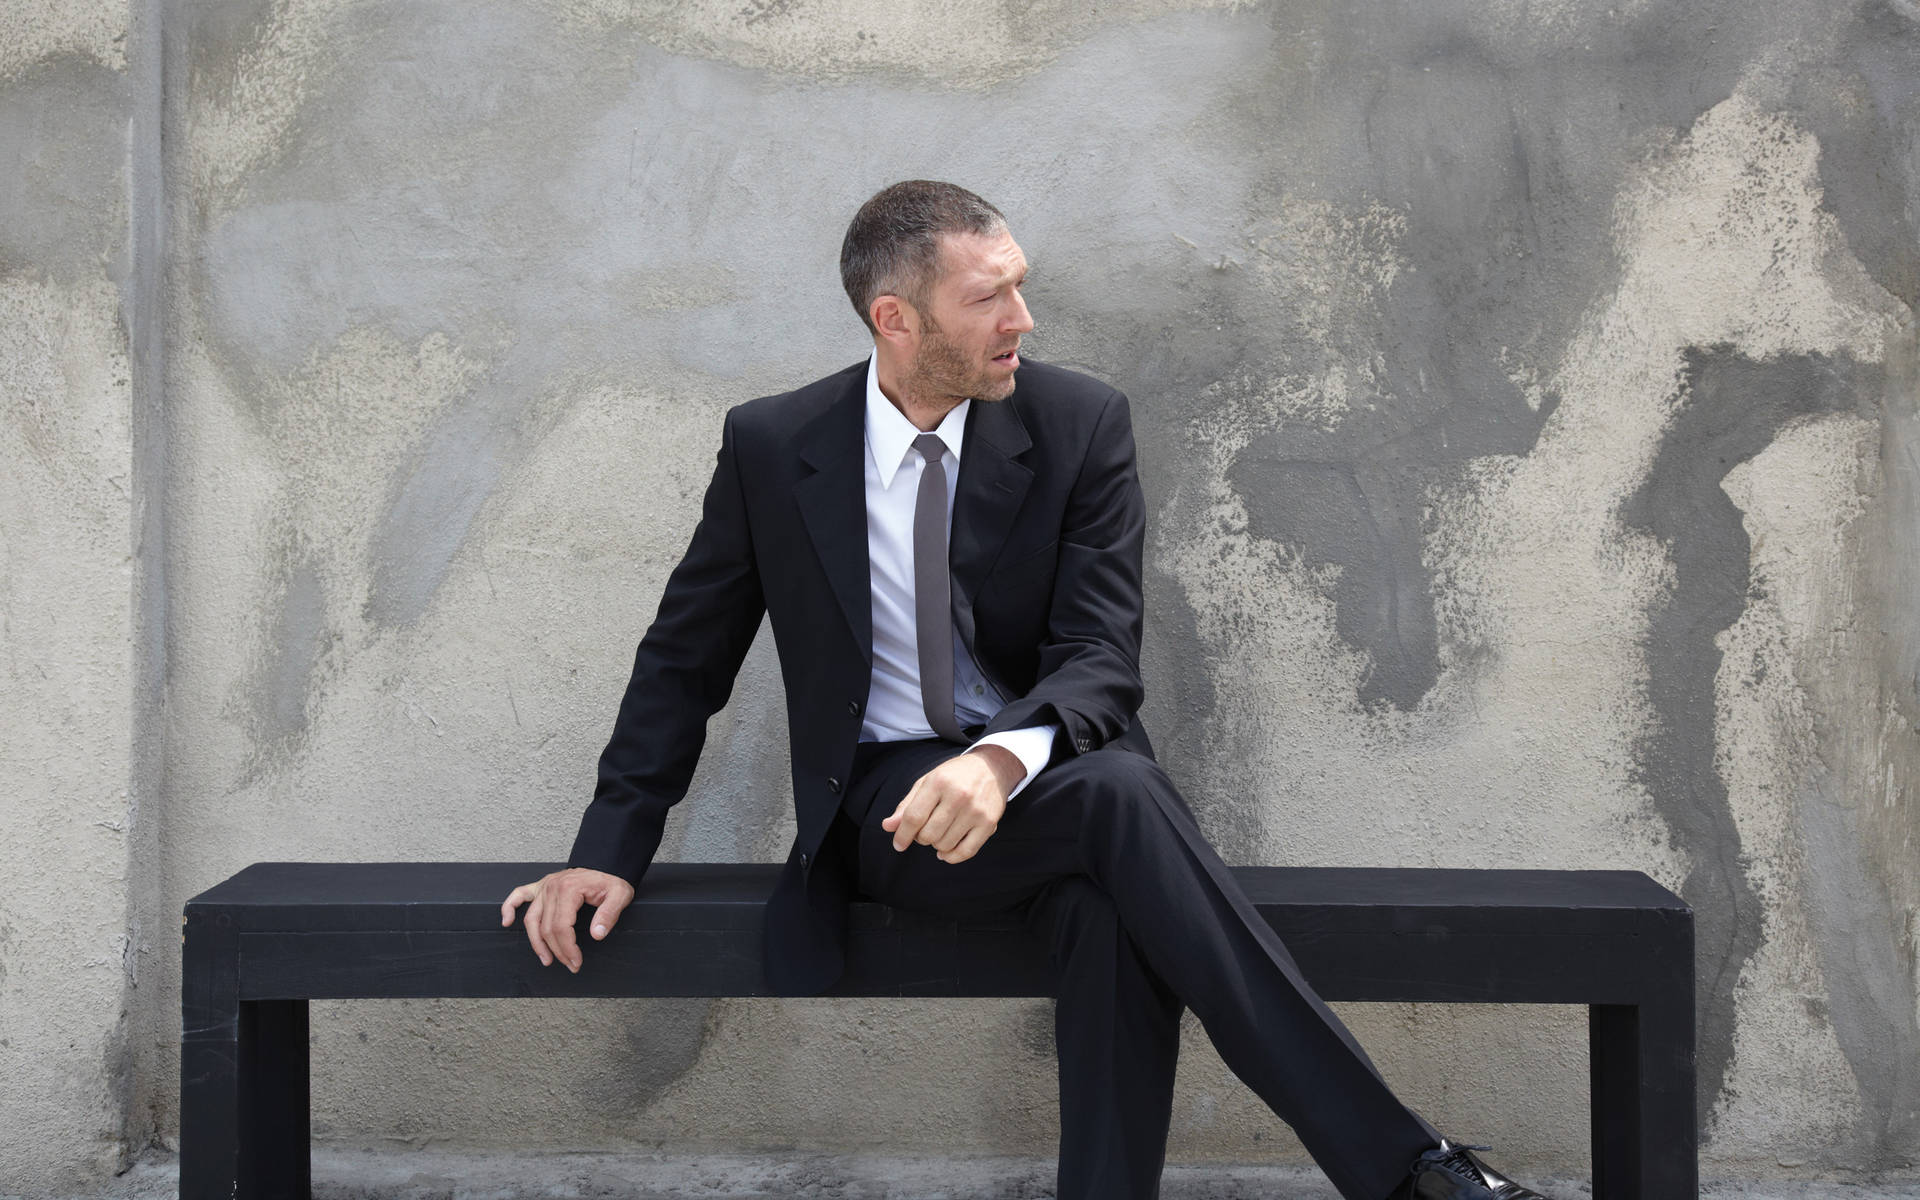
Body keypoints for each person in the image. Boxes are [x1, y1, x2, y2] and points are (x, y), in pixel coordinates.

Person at [501, 180, 1552, 1200]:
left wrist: (1000, 759)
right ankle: (1410, 1172)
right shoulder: (776, 446)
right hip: (888, 812)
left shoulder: (1079, 421)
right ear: (896, 318)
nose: (1023, 317)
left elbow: (1102, 652)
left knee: (1106, 889)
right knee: (1126, 804)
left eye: (1020, 284)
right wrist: (606, 848)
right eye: (987, 296)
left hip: (1048, 778)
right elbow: (687, 654)